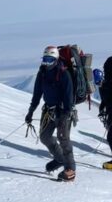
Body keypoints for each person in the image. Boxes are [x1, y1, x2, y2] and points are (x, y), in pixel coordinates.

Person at [25, 45, 77, 182]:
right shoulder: (41, 73)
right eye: (45, 60)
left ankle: (70, 169)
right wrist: (30, 112)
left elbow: (69, 98)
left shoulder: (64, 74)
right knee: (44, 137)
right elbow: (37, 95)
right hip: (48, 110)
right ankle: (60, 159)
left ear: (55, 59)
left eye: (49, 60)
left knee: (63, 138)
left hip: (63, 111)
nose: (46, 63)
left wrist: (65, 115)